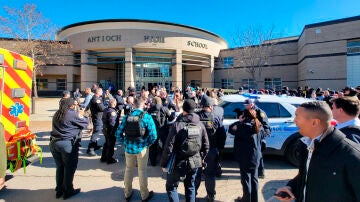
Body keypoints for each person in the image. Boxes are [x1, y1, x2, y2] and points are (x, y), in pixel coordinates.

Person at [275, 101, 360, 202]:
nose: (294, 121)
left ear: (314, 122)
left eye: (297, 116)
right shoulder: (306, 145)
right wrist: (291, 187)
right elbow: (307, 174)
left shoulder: (351, 154)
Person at [160, 99, 209, 202]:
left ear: (184, 110)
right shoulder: (200, 125)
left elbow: (169, 147)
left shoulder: (177, 125)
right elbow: (206, 145)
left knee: (171, 187)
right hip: (195, 162)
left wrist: (164, 164)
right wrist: (202, 158)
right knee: (191, 187)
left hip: (178, 162)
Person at [115, 98, 157, 202]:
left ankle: (127, 193)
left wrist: (125, 142)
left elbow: (118, 133)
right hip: (142, 148)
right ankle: (144, 195)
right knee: (142, 171)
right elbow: (153, 136)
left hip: (128, 148)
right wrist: (147, 143)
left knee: (129, 169)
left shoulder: (127, 116)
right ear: (143, 105)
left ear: (133, 105)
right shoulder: (147, 117)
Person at [49, 98, 89, 200]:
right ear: (71, 106)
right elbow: (85, 123)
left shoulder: (57, 114)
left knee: (60, 167)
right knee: (69, 168)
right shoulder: (71, 114)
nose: (75, 106)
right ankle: (68, 190)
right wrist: (81, 114)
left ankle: (59, 189)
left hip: (54, 143)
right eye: (74, 105)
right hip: (67, 144)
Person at [195, 96, 226, 202]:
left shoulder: (195, 117)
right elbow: (222, 135)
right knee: (210, 174)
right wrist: (220, 148)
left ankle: (192, 194)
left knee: (195, 173)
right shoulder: (215, 117)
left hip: (197, 150)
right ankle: (211, 195)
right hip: (211, 150)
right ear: (209, 106)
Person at [229, 109, 262, 202]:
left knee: (246, 180)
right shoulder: (258, 125)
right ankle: (254, 199)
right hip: (256, 156)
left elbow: (231, 129)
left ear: (244, 116)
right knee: (254, 179)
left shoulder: (242, 126)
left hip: (245, 157)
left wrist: (239, 121)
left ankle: (246, 199)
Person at [243, 99, 271, 179]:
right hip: (250, 137)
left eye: (247, 105)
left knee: (258, 154)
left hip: (258, 136)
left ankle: (260, 172)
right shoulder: (246, 111)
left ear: (251, 104)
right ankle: (252, 169)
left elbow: (266, 125)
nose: (245, 107)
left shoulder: (260, 112)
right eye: (244, 105)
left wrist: (262, 136)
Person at [147, 97, 172, 166]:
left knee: (152, 147)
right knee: (165, 146)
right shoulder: (164, 109)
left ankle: (153, 162)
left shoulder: (150, 109)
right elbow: (171, 118)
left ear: (154, 102)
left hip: (153, 130)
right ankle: (165, 162)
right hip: (163, 129)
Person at [87, 88, 106, 156]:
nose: (102, 93)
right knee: (96, 133)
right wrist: (107, 107)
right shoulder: (96, 99)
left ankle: (95, 145)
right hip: (97, 118)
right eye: (101, 91)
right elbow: (102, 108)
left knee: (96, 131)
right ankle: (90, 149)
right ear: (98, 92)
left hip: (97, 117)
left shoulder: (96, 98)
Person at [100, 98, 120, 164]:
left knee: (106, 144)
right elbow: (112, 123)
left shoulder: (106, 109)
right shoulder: (112, 112)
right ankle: (109, 159)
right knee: (110, 145)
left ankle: (103, 158)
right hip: (110, 130)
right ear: (114, 103)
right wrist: (113, 131)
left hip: (105, 129)